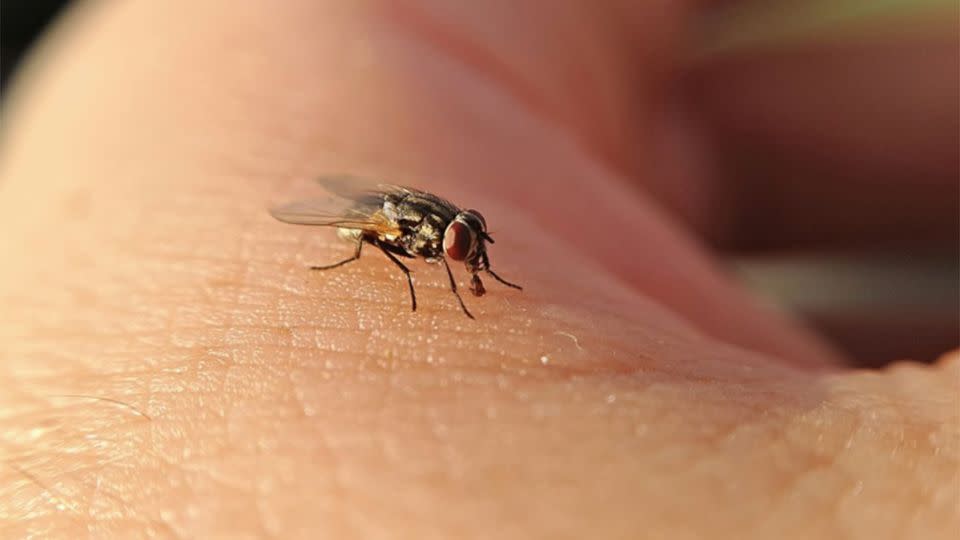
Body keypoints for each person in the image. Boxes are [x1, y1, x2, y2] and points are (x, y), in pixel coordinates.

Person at [0, 1, 956, 538]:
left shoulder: (457, 222)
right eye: (462, 248)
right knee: (376, 241)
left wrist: (476, 264)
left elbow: (460, 229)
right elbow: (377, 217)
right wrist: (408, 264)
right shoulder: (402, 231)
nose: (467, 247)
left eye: (465, 244)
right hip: (364, 216)